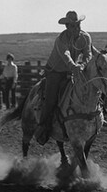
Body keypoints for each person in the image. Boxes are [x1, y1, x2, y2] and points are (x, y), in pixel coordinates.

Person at [36, 11, 93, 144]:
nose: (77, 28)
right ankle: (43, 127)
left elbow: (88, 54)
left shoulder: (85, 37)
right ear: (67, 27)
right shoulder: (61, 39)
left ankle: (96, 114)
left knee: (90, 87)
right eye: (73, 26)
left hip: (72, 70)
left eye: (78, 24)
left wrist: (83, 65)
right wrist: (74, 66)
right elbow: (66, 54)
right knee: (51, 99)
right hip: (55, 71)